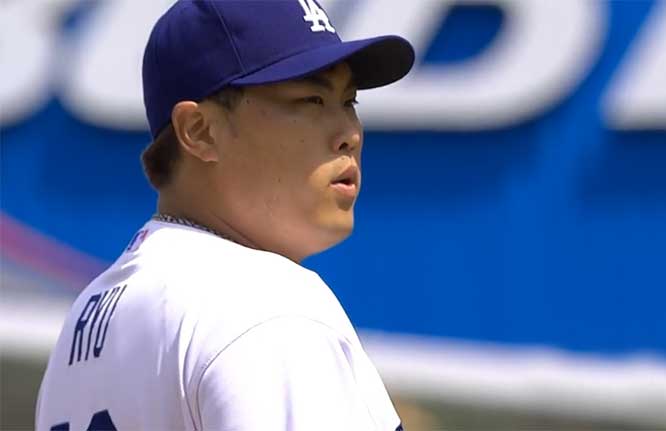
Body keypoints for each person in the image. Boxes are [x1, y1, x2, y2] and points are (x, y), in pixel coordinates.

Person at [35, 0, 414, 429]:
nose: (350, 134)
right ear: (200, 131)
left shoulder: (87, 318)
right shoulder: (268, 302)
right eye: (312, 99)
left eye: (349, 102)